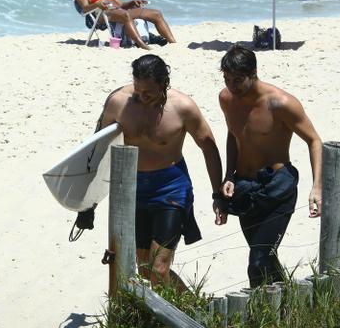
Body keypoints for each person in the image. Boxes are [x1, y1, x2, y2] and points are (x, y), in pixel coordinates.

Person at [77, 54, 225, 292]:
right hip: (132, 189)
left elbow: (208, 146)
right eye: (137, 91)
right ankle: (190, 306)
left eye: (149, 93)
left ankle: (183, 318)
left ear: (163, 83)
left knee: (159, 269)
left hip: (171, 188)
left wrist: (217, 194)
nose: (142, 97)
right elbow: (97, 148)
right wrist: (88, 203)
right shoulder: (118, 102)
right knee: (144, 267)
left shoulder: (182, 107)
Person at [216, 44, 323, 287]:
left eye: (238, 80)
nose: (232, 86)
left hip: (277, 187)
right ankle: (289, 305)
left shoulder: (281, 103)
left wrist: (317, 187)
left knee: (258, 260)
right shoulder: (226, 99)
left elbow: (314, 140)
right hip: (245, 187)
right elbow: (233, 135)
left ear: (253, 73)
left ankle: (261, 318)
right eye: (227, 79)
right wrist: (229, 176)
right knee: (266, 258)